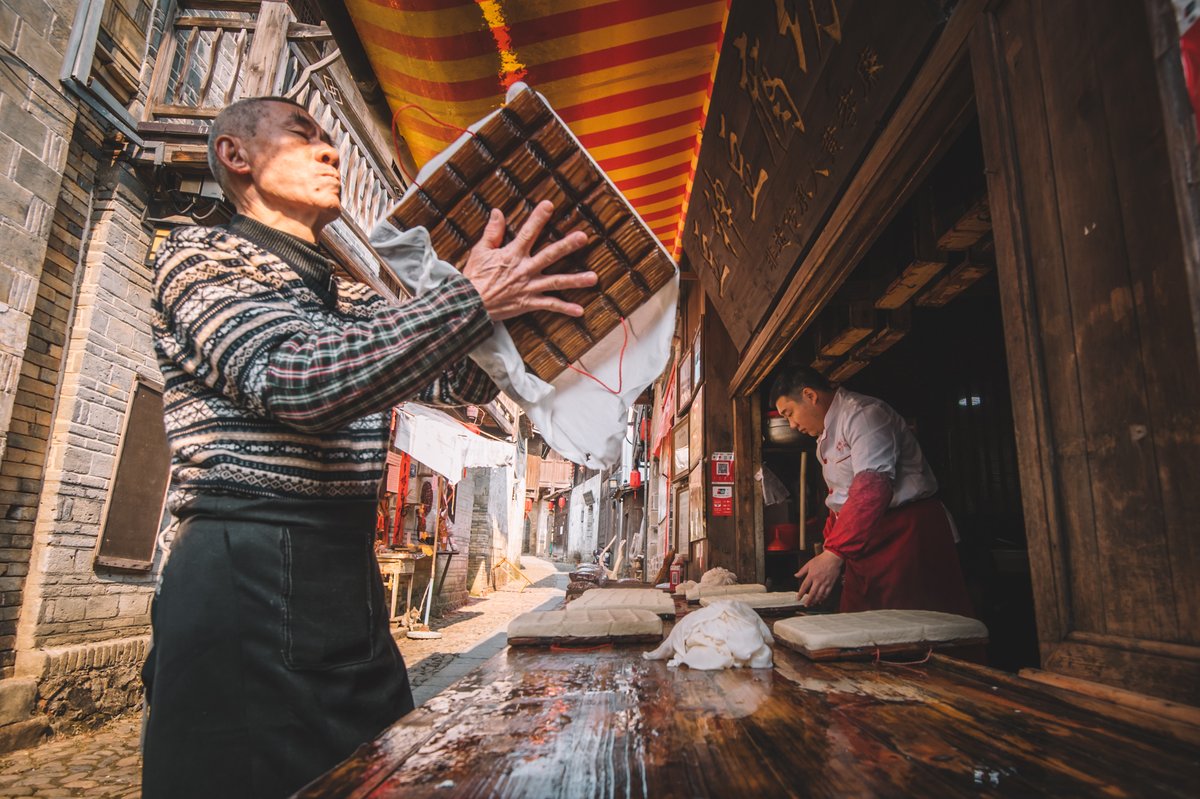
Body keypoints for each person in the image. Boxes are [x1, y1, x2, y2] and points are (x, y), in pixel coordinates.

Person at [141, 96, 596, 799]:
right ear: (236, 156)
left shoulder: (352, 299)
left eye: (332, 138)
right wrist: (466, 299)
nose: (331, 151)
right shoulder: (197, 255)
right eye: (305, 135)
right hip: (243, 562)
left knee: (375, 773)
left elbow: (461, 372)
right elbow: (295, 378)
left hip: (339, 574)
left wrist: (515, 290)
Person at [770, 367, 973, 617]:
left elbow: (872, 488)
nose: (791, 425)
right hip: (864, 540)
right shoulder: (824, 438)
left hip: (905, 534)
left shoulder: (864, 415)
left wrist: (835, 553)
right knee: (860, 622)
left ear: (810, 395)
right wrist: (831, 545)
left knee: (910, 626)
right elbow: (841, 498)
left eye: (789, 414)